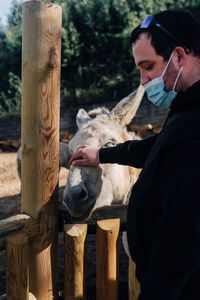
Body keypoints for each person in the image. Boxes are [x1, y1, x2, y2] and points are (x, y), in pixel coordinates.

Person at [69, 8, 200, 300]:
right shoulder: (187, 109)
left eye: (148, 66)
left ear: (178, 56)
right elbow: (158, 146)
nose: (144, 80)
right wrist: (102, 155)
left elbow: (181, 243)